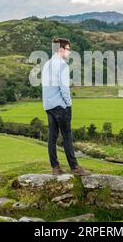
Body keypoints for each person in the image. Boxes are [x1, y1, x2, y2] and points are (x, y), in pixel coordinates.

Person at [41, 38, 91, 176]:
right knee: (67, 136)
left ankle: (55, 168)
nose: (69, 52)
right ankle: (74, 167)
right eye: (68, 49)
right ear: (61, 49)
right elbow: (64, 89)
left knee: (52, 137)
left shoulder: (47, 64)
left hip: (48, 105)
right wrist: (68, 104)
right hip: (60, 106)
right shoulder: (62, 65)